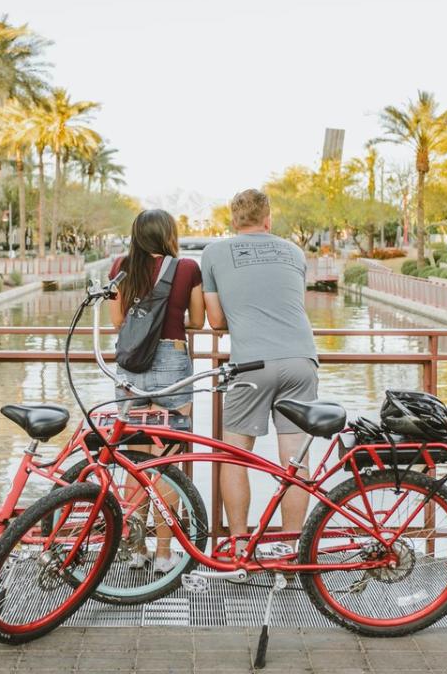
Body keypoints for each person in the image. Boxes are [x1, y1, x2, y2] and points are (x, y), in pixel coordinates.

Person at [201, 188, 318, 552]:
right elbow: (294, 304)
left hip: (250, 364)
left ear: (234, 222)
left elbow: (217, 320)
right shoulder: (294, 252)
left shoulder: (214, 253)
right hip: (301, 359)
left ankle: (238, 547)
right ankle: (291, 549)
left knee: (235, 457)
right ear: (268, 220)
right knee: (295, 461)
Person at [108, 208, 204, 572]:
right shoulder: (186, 269)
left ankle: (135, 550)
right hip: (172, 367)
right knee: (166, 462)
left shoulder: (120, 266)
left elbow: (117, 321)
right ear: (169, 235)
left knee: (135, 460)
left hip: (131, 367)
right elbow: (197, 321)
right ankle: (165, 554)